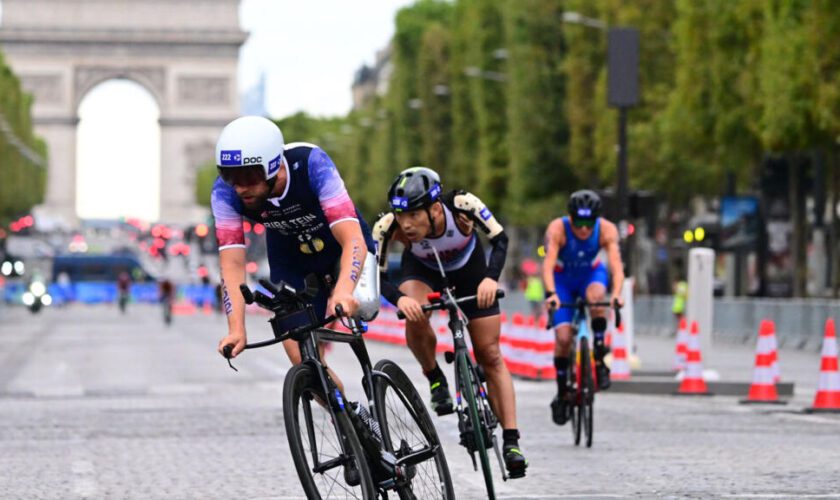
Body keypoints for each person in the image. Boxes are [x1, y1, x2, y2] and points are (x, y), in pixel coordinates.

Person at [373, 166, 528, 478]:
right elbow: (375, 273)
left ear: (434, 209)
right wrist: (398, 299)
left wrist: (489, 279)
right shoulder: (388, 227)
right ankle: (434, 377)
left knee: (491, 354)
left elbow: (500, 239)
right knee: (414, 311)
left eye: (414, 215)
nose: (406, 223)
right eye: (400, 215)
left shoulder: (463, 204)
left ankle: (512, 441)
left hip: (471, 272)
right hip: (422, 272)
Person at [211, 116, 378, 372]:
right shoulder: (224, 193)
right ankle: (343, 410)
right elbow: (232, 265)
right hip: (292, 260)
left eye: (249, 176)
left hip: (340, 248)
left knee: (362, 305)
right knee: (304, 361)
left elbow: (352, 239)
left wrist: (343, 289)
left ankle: (374, 383)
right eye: (230, 177)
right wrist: (236, 330)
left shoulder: (312, 163)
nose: (241, 188)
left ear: (273, 166)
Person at [542, 189, 624, 425]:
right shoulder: (557, 229)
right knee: (564, 338)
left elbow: (616, 266)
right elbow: (547, 265)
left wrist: (617, 294)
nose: (585, 229)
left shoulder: (607, 229)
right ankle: (561, 391)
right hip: (562, 279)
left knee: (598, 297)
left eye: (589, 223)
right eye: (579, 222)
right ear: (570, 218)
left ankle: (598, 352)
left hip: (590, 274)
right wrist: (551, 294)